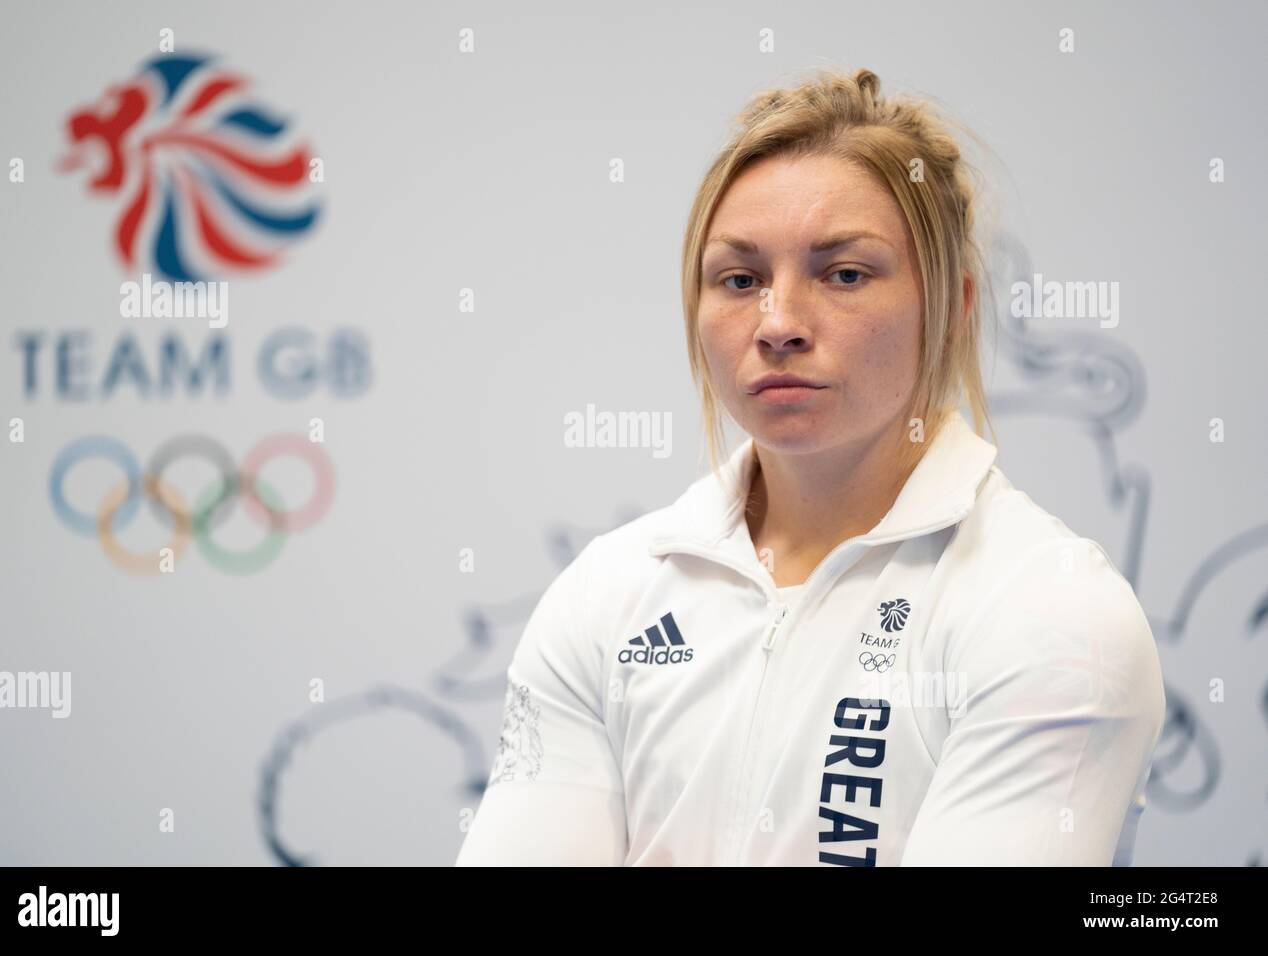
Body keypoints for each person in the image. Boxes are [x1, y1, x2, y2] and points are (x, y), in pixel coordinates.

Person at [454, 67, 1166, 866]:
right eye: (741, 279)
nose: (779, 323)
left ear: (954, 306)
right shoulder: (608, 595)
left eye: (845, 273)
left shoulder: (1049, 611)